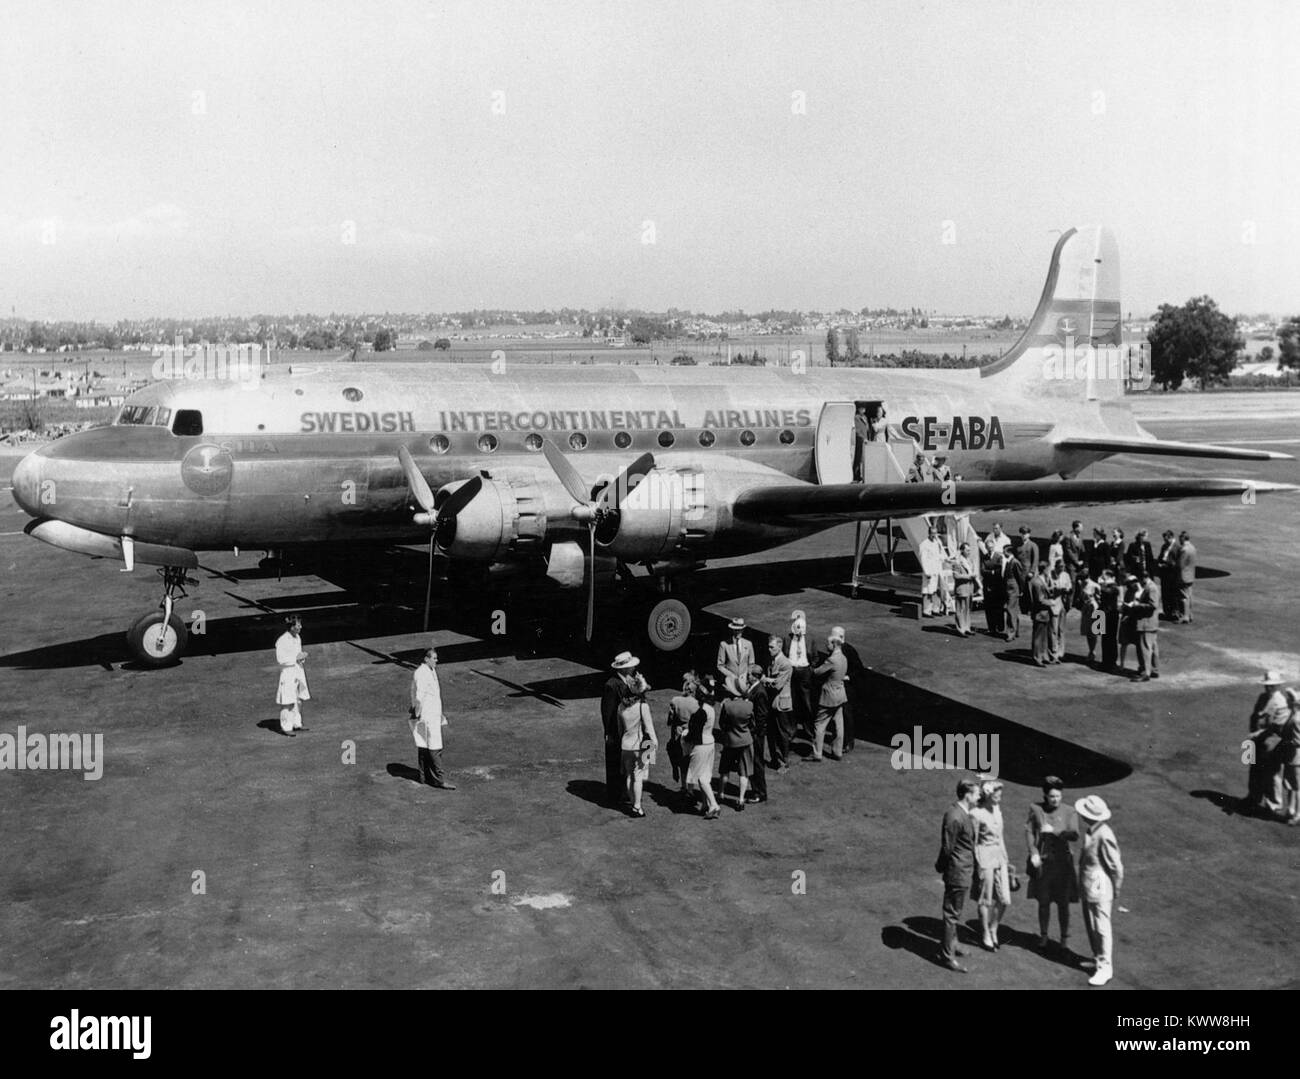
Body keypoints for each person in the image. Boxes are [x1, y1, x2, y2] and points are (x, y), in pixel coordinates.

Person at [1025, 777, 1079, 951]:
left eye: (1058, 796)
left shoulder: (1069, 811)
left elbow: (1074, 834)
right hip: (1044, 864)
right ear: (1045, 796)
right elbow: (1029, 832)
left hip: (1063, 866)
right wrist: (1033, 852)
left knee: (1063, 904)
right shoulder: (1036, 809)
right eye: (1052, 796)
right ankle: (1044, 935)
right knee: (1043, 902)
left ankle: (1064, 938)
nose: (1055, 799)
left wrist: (1055, 831)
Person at [1076, 795, 1124, 986]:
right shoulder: (1092, 830)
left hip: (1100, 886)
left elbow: (1115, 866)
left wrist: (1116, 888)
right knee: (1091, 924)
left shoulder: (1104, 834)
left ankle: (1105, 967)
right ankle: (1098, 958)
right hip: (1089, 885)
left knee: (1101, 926)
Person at [934, 777, 981, 972]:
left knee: (956, 911)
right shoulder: (954, 816)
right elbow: (948, 847)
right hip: (957, 871)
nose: (979, 797)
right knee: (952, 914)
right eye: (977, 794)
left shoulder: (964, 813)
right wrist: (941, 867)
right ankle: (947, 956)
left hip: (964, 869)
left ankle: (953, 944)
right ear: (967, 795)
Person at [601, 652, 649, 807]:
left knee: (626, 764)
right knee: (616, 762)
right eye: (630, 666)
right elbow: (608, 711)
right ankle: (615, 795)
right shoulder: (612, 685)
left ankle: (627, 792)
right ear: (623, 669)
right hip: (617, 730)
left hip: (629, 728)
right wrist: (609, 732)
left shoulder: (628, 680)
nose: (633, 668)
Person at [970, 780, 1011, 950]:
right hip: (984, 858)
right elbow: (973, 841)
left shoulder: (997, 809)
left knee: (1004, 899)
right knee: (985, 899)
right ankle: (986, 933)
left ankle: (994, 928)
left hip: (1000, 857)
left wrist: (1006, 859)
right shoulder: (975, 814)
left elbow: (1000, 836)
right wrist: (977, 864)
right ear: (987, 794)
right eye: (996, 793)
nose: (999, 796)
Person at [409, 647, 455, 789]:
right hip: (427, 715)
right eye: (434, 658)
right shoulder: (422, 673)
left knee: (424, 744)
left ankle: (424, 777)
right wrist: (417, 713)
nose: (437, 660)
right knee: (434, 747)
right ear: (426, 659)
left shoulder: (430, 670)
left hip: (432, 713)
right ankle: (438, 780)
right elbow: (419, 695)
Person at [1244, 671, 1288, 816]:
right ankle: (1253, 797)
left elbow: (1276, 727)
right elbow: (1254, 717)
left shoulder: (1281, 703)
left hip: (1271, 742)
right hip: (1256, 740)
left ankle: (1274, 804)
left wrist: (1256, 735)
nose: (1268, 688)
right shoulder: (1262, 697)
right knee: (1254, 768)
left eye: (1272, 686)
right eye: (1267, 685)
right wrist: (1253, 734)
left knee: (1271, 773)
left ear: (1278, 686)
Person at [684, 678, 721, 819]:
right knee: (705, 775)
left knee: (700, 777)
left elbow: (694, 733)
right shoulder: (710, 708)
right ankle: (705, 804)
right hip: (710, 743)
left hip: (701, 746)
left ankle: (714, 805)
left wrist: (684, 736)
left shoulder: (700, 712)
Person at [810, 629, 848, 761]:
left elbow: (817, 672)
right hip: (840, 695)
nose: (826, 646)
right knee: (839, 725)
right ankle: (837, 752)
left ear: (834, 643)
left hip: (829, 696)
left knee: (820, 724)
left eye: (828, 643)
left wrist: (811, 667)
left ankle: (817, 753)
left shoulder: (831, 660)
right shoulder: (843, 658)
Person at [620, 695, 658, 818]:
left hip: (625, 745)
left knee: (629, 775)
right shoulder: (643, 706)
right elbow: (649, 728)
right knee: (638, 776)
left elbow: (620, 728)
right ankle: (637, 806)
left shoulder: (621, 707)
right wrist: (654, 745)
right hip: (640, 746)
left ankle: (633, 802)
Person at [763, 635, 794, 772]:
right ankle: (775, 760)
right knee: (771, 733)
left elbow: (777, 685)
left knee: (782, 734)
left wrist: (765, 680)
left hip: (781, 704)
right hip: (773, 702)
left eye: (772, 647)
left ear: (779, 647)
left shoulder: (785, 663)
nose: (769, 649)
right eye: (769, 647)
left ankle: (784, 763)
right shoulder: (773, 660)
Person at [666, 674, 701, 798]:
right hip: (691, 734)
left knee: (681, 760)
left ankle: (683, 786)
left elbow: (670, 720)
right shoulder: (697, 704)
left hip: (677, 732)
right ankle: (690, 788)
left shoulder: (675, 700)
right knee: (692, 760)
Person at [274, 615, 310, 736]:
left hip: (298, 671)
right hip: (288, 673)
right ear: (291, 627)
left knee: (298, 699)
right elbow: (281, 659)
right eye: (298, 625)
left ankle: (297, 723)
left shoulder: (298, 638)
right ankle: (286, 727)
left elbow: (298, 654)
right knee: (287, 701)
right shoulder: (282, 640)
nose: (301, 627)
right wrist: (296, 658)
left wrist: (301, 658)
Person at [784, 610, 815, 743]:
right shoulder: (787, 639)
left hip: (804, 672)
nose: (799, 634)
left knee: (806, 703)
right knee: (792, 701)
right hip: (791, 671)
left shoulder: (810, 639)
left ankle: (809, 730)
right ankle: (792, 729)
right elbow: (784, 654)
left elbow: (814, 656)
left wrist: (810, 669)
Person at [742, 663, 769, 803]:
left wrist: (754, 732)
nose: (747, 676)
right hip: (753, 732)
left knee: (757, 762)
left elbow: (761, 716)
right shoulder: (754, 688)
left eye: (749, 674)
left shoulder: (760, 692)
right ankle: (756, 790)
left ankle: (760, 793)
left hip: (756, 734)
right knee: (752, 761)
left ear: (754, 676)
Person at [1129, 565, 1160, 681]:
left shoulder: (1151, 588)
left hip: (1146, 623)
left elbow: (1153, 605)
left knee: (1145, 648)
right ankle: (1154, 670)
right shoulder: (1150, 586)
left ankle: (1145, 673)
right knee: (1152, 647)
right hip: (1150, 623)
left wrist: (1137, 606)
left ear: (1143, 578)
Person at [839, 627, 866, 753]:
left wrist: (847, 676)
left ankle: (848, 741)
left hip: (847, 687)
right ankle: (841, 740)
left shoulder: (848, 650)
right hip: (838, 686)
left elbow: (858, 669)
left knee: (846, 714)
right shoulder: (836, 650)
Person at [716, 617, 755, 698]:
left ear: (743, 630)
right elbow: (720, 666)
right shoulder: (724, 644)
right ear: (732, 630)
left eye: (740, 630)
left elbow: (751, 663)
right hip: (731, 683)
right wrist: (731, 675)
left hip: (744, 682)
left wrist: (746, 675)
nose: (738, 632)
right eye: (736, 630)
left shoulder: (748, 644)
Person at [1279, 689, 1300, 825]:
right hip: (1291, 756)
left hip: (1297, 757)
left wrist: (1286, 743)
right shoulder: (1294, 715)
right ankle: (1291, 810)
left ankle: (1298, 814)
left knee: (1298, 786)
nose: (1286, 700)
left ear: (1293, 702)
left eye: (1288, 699)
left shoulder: (1297, 719)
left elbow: (1298, 741)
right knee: (1291, 784)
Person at [1029, 563, 1054, 666]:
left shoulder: (1042, 580)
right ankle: (1037, 658)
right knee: (1038, 637)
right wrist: (1051, 603)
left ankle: (1043, 656)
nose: (1049, 571)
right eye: (1048, 569)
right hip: (1040, 613)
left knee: (1044, 637)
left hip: (1044, 613)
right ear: (1044, 569)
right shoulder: (1037, 582)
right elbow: (1040, 599)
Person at [950, 542, 977, 636]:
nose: (969, 552)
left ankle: (967, 627)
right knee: (961, 609)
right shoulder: (957, 561)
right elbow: (956, 576)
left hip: (969, 588)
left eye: (969, 550)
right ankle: (961, 629)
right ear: (962, 550)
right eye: (967, 550)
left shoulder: (970, 560)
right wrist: (969, 576)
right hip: (961, 588)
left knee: (968, 609)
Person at [919, 525, 945, 618]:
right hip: (929, 571)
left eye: (935, 533)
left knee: (936, 591)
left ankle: (936, 609)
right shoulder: (924, 544)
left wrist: (945, 559)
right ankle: (926, 611)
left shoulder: (937, 542)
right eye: (932, 533)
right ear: (929, 533)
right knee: (928, 591)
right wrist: (927, 572)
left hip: (937, 570)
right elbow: (923, 560)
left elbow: (939, 555)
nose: (934, 535)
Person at [1077, 567, 1102, 664]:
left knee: (1094, 632)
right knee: (1088, 631)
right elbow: (1081, 597)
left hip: (1095, 609)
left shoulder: (1095, 586)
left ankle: (1093, 651)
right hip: (1086, 609)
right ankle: (1091, 651)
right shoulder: (1081, 584)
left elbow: (1099, 599)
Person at [1002, 543, 1026, 642]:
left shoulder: (1015, 562)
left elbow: (1021, 577)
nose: (1003, 553)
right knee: (1013, 610)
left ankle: (1011, 632)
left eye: (1004, 551)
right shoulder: (1009, 562)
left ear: (1009, 552)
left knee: (1010, 610)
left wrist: (1021, 589)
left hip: (1013, 589)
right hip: (1010, 588)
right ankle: (1015, 631)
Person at [1098, 568, 1121, 669]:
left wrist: (1100, 585)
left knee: (1111, 638)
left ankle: (1111, 661)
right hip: (1103, 613)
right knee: (1104, 638)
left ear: (1108, 576)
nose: (1101, 577)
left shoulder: (1114, 586)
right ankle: (1105, 660)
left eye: (1103, 575)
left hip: (1111, 615)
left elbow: (1108, 592)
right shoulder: (1106, 586)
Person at [982, 541, 1006, 637]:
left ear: (994, 547)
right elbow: (982, 570)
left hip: (997, 585)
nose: (990, 549)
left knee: (998, 607)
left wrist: (990, 572)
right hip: (987, 585)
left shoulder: (998, 557)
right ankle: (991, 628)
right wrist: (991, 572)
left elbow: (999, 570)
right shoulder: (984, 557)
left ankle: (1000, 627)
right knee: (989, 608)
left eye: (991, 547)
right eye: (988, 547)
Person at [1050, 558, 1071, 661]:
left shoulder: (1066, 575)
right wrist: (1056, 589)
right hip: (1054, 605)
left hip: (1063, 604)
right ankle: (1054, 651)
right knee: (1054, 629)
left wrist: (1066, 590)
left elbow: (1069, 587)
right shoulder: (1050, 575)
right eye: (1060, 567)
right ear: (1056, 567)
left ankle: (1061, 652)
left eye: (1063, 567)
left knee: (1061, 630)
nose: (1062, 569)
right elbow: (1049, 589)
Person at [1116, 575, 1139, 673]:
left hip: (1134, 620)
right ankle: (1122, 664)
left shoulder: (1138, 592)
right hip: (1126, 620)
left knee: (1138, 644)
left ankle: (1141, 665)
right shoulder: (1128, 591)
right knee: (1124, 643)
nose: (1129, 585)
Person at [1156, 529, 1180, 620]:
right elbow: (1160, 556)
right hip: (1164, 573)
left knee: (1173, 593)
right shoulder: (1164, 546)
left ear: (1171, 538)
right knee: (1165, 593)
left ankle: (1174, 612)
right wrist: (1159, 563)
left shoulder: (1177, 547)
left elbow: (1176, 562)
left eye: (1166, 539)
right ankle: (1167, 612)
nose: (1165, 541)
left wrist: (1166, 564)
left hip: (1172, 573)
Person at [1175, 531, 1196, 623]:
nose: (1179, 540)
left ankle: (1185, 616)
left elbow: (1180, 564)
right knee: (1189, 596)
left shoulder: (1184, 549)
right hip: (1190, 575)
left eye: (1180, 538)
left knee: (1183, 597)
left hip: (1183, 576)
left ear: (1183, 538)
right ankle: (1190, 614)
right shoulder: (1192, 547)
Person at [852, 402, 871, 481]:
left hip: (865, 440)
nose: (863, 410)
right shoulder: (856, 417)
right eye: (861, 408)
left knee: (863, 458)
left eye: (864, 408)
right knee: (858, 458)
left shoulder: (865, 417)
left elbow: (867, 429)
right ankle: (856, 475)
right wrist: (863, 438)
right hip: (860, 440)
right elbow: (857, 430)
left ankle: (862, 475)